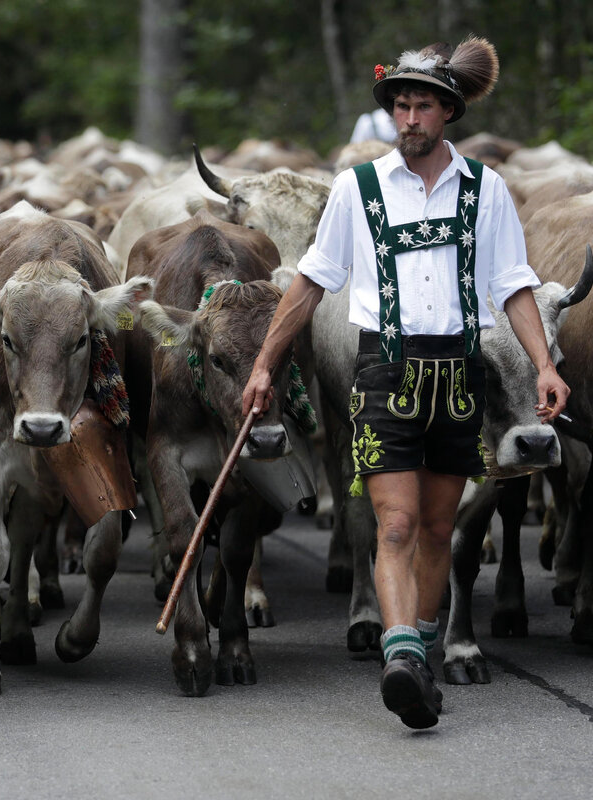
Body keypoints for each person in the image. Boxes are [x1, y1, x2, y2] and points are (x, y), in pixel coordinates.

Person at [241, 36, 568, 730]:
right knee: (395, 521)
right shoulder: (356, 189)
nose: (410, 118)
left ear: (447, 113)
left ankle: (416, 648)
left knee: (440, 526)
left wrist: (543, 364)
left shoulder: (488, 188)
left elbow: (513, 285)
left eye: (423, 106)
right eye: (401, 106)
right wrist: (266, 363)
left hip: (459, 371)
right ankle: (403, 659)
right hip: (384, 369)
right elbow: (310, 283)